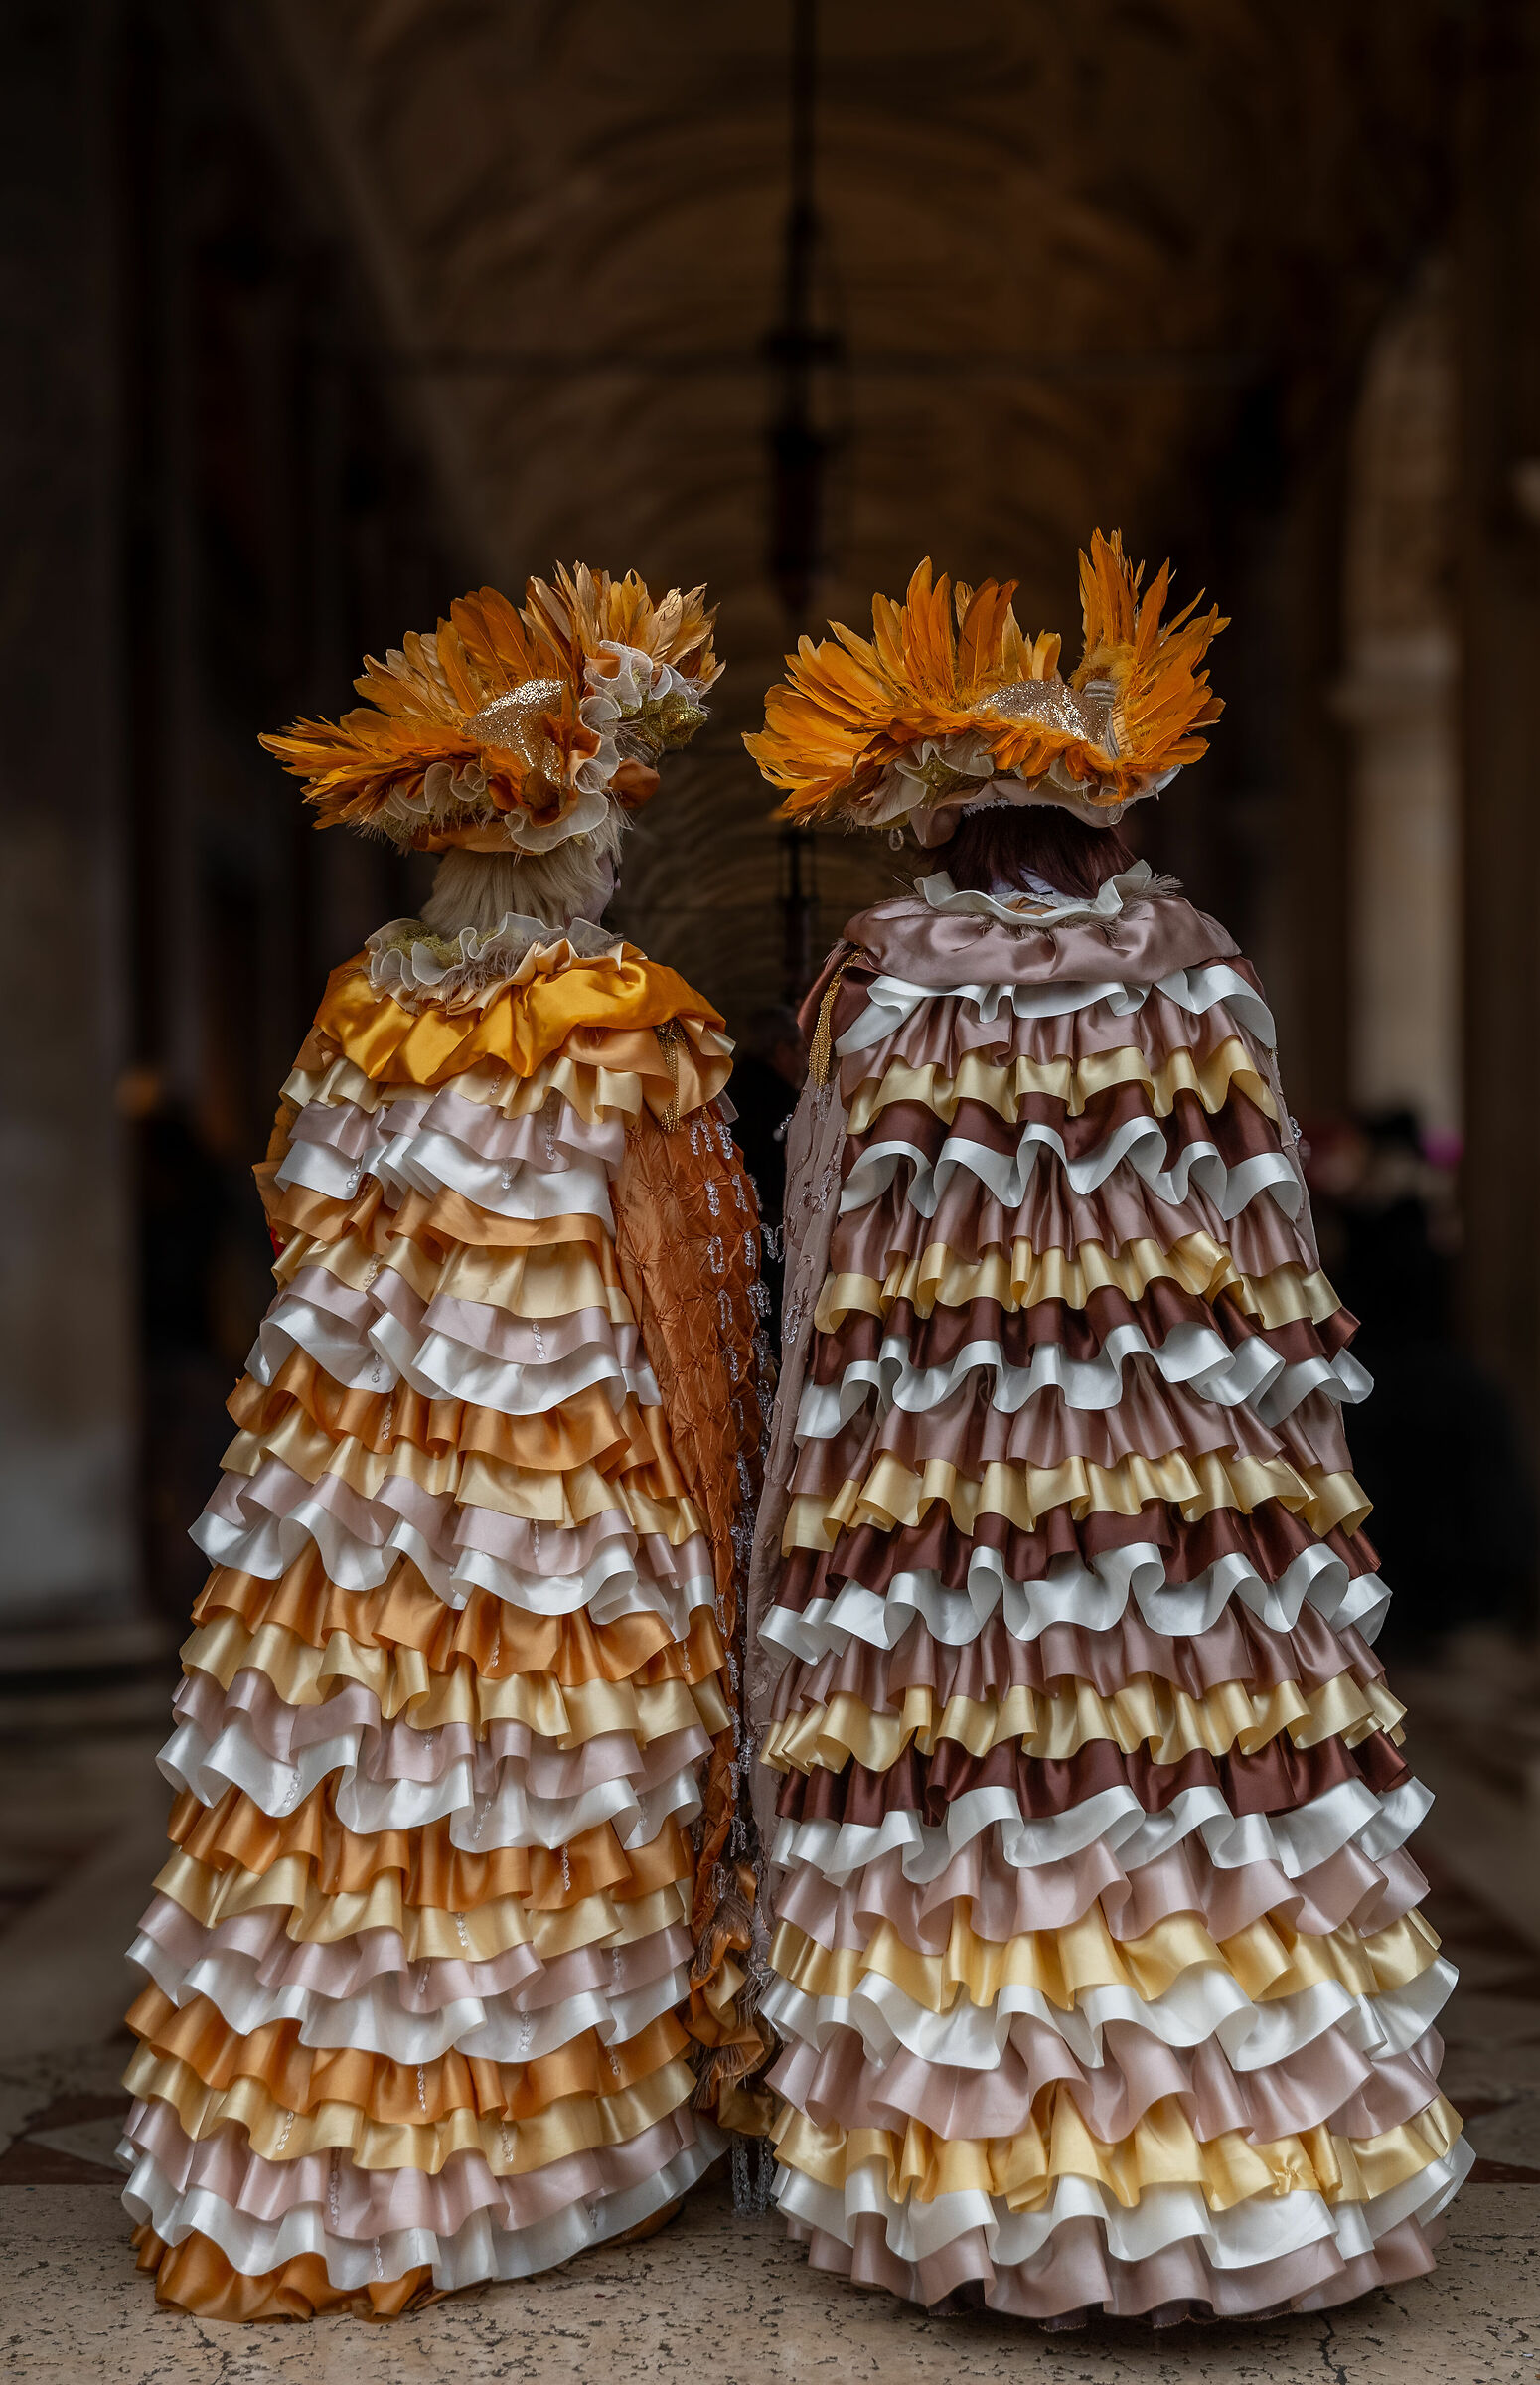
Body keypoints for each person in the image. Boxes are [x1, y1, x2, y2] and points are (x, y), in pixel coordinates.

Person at [742, 539, 1468, 2320]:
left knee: (982, 1782)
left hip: (947, 1475)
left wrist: (810, 1457)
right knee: (1187, 1778)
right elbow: (1269, 1232)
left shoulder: (877, 975)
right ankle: (1239, 2185)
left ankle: (993, 2199)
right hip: (1178, 1461)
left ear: (934, 821)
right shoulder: (1195, 964)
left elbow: (826, 1216)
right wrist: (1285, 1466)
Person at [120, 568, 770, 2317]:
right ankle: (537, 2160)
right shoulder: (623, 1022)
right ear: (570, 835)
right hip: (562, 1482)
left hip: (353, 1497)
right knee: (536, 1787)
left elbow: (304, 1249)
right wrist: (723, 1492)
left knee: (361, 1794)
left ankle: (330, 2149)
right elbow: (687, 1283)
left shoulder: (360, 1012)